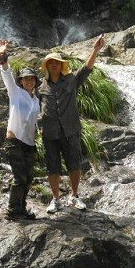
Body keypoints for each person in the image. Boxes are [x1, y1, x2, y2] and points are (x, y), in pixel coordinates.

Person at [39, 34, 106, 213]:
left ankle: (75, 195)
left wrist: (96, 50)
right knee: (53, 166)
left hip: (70, 130)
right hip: (50, 133)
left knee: (74, 164)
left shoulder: (71, 80)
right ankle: (55, 199)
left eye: (57, 62)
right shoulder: (40, 86)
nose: (55, 64)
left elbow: (86, 69)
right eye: (51, 62)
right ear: (46, 66)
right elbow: (33, 107)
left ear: (61, 65)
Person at [0, 40, 41, 220]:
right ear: (21, 81)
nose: (29, 81)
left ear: (36, 82)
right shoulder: (15, 92)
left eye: (32, 78)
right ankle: (13, 210)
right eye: (26, 78)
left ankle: (21, 208)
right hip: (14, 140)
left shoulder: (37, 100)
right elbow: (6, 74)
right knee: (20, 177)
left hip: (29, 143)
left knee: (29, 178)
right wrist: (3, 56)